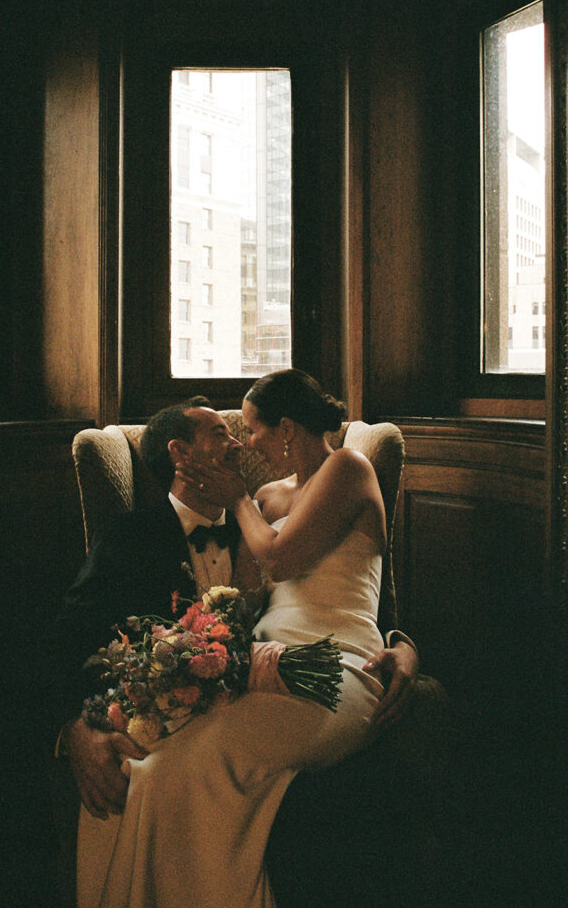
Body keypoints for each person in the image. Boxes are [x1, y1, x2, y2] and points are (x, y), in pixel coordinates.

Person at [61, 371, 417, 908]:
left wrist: (404, 643)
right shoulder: (259, 501)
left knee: (196, 762)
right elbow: (247, 599)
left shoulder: (347, 467)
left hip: (335, 665)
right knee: (147, 769)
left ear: (288, 429)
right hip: (255, 670)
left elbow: (284, 559)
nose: (243, 443)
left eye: (249, 429)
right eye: (231, 433)